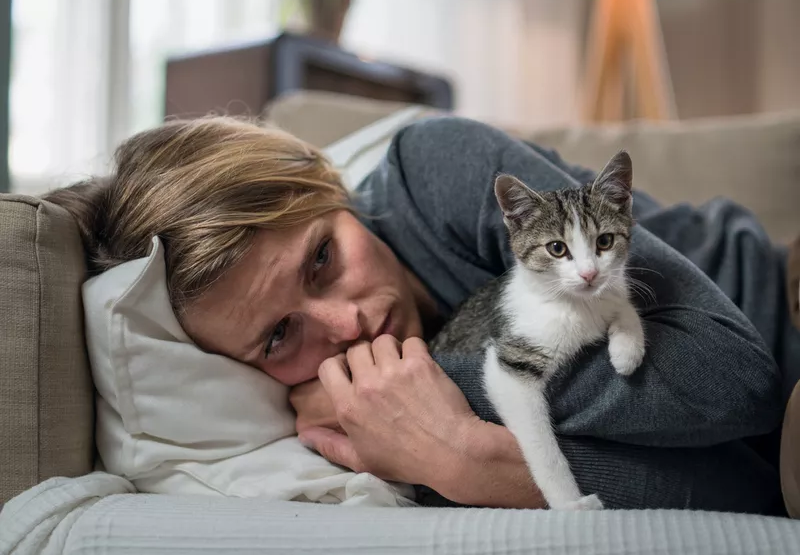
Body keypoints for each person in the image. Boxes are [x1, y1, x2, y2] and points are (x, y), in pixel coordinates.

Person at [46, 114, 800, 514]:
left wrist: (457, 419)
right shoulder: (370, 439)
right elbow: (747, 488)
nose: (346, 327)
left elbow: (741, 380)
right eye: (279, 336)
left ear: (330, 187)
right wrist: (463, 465)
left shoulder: (437, 169)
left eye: (322, 259)